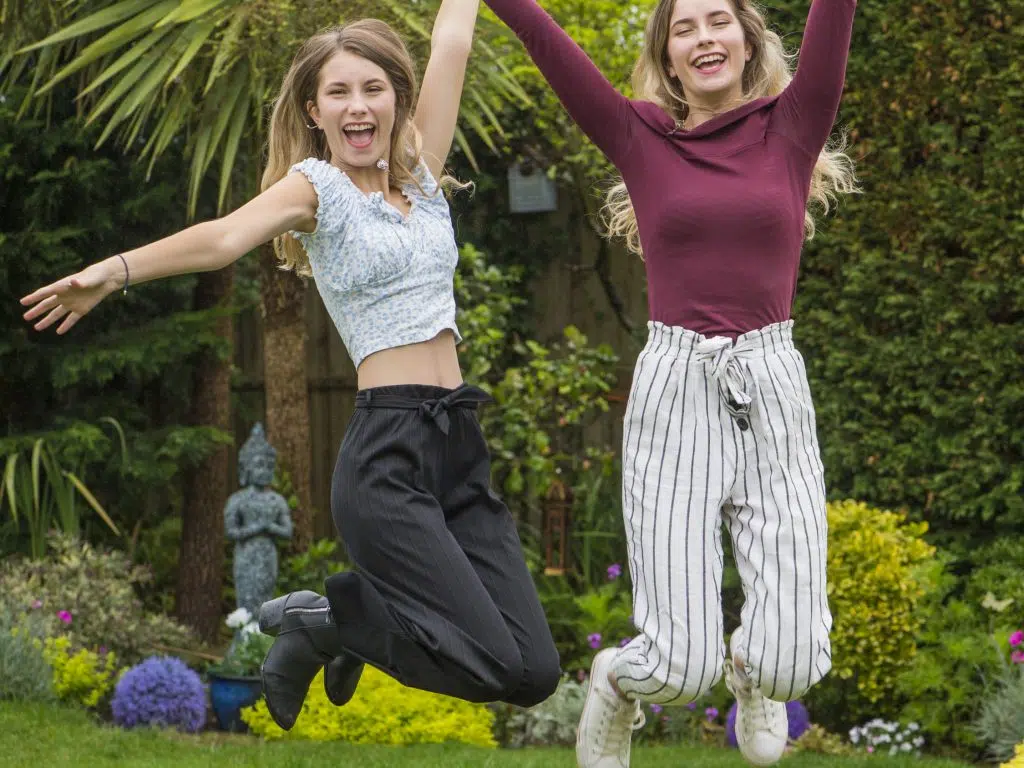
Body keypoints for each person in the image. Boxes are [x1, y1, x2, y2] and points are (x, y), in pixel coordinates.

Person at [20, 0, 561, 732]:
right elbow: (223, 238)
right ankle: (329, 623)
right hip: (388, 460)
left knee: (532, 672)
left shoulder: (424, 174)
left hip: (458, 446)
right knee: (486, 659)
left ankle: (326, 626)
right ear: (314, 110)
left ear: (397, 97)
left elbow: (454, 38)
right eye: (338, 93)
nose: (358, 105)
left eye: (373, 88)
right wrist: (114, 272)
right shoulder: (318, 189)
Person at [479, 0, 858, 765]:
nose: (703, 38)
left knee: (794, 661)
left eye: (718, 20)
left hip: (770, 380)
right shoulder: (637, 137)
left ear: (748, 40)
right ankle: (617, 683)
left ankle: (752, 671)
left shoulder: (793, 124)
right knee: (679, 671)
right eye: (684, 28)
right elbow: (542, 36)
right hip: (677, 384)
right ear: (668, 56)